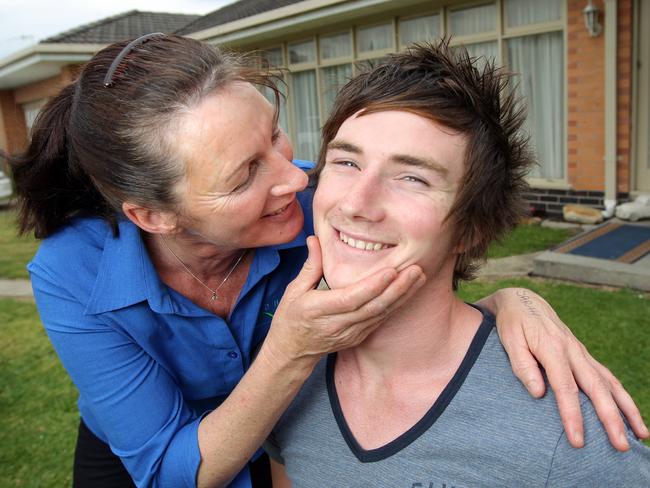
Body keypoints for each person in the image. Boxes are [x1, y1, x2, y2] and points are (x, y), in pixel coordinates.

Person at [7, 34, 646, 488]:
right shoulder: (72, 274)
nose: (296, 179)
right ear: (152, 215)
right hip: (154, 450)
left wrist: (511, 299)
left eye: (276, 135)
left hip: (289, 424)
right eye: (245, 174)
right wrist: (290, 349)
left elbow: (425, 233)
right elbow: (171, 470)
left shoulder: (320, 198)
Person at [266, 41, 650, 487]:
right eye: (347, 161)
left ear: (472, 228)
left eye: (412, 177)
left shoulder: (563, 432)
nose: (356, 203)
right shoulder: (287, 376)